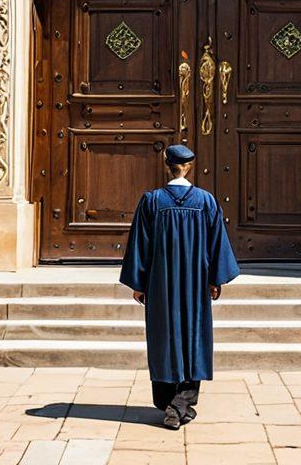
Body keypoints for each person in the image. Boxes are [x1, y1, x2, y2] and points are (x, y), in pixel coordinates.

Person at [119, 144, 240, 429]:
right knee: (194, 336)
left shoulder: (151, 201)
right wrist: (214, 280)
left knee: (164, 336)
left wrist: (139, 283)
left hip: (160, 286)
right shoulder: (206, 202)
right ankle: (181, 403)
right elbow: (217, 244)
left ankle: (168, 403)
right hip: (196, 285)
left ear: (166, 164)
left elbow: (141, 245)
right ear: (190, 166)